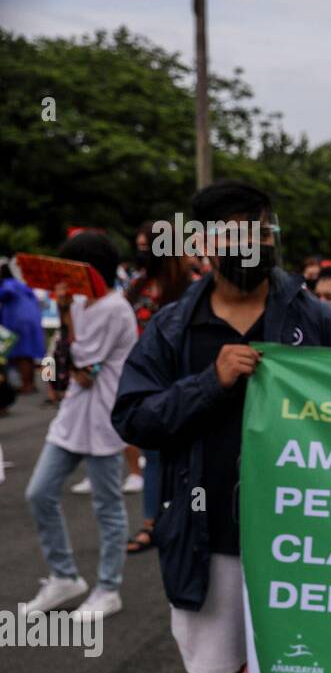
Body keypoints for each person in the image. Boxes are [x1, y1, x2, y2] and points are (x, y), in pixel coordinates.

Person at [112, 180, 331, 673]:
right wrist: (212, 381)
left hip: (302, 534)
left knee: (315, 670)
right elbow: (135, 417)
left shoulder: (309, 315)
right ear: (204, 243)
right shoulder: (175, 326)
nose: (254, 241)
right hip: (210, 538)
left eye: (262, 228)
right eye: (237, 231)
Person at [24, 232, 137, 619]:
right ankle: (63, 576)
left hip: (103, 416)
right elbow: (59, 353)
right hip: (72, 417)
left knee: (107, 506)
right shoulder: (81, 304)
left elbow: (86, 372)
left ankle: (109, 588)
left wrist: (66, 313)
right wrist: (54, 379)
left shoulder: (115, 309)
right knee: (39, 494)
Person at [122, 221, 193, 554]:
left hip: (184, 379)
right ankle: (151, 523)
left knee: (189, 456)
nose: (142, 253)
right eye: (138, 246)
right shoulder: (138, 284)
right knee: (153, 453)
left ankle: (189, 517)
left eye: (147, 246)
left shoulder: (191, 287)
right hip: (146, 378)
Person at [0, 260, 46, 394]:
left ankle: (27, 385)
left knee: (22, 355)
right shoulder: (22, 285)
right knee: (28, 354)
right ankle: (30, 384)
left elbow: (7, 292)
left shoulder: (9, 284)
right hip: (31, 320)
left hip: (19, 322)